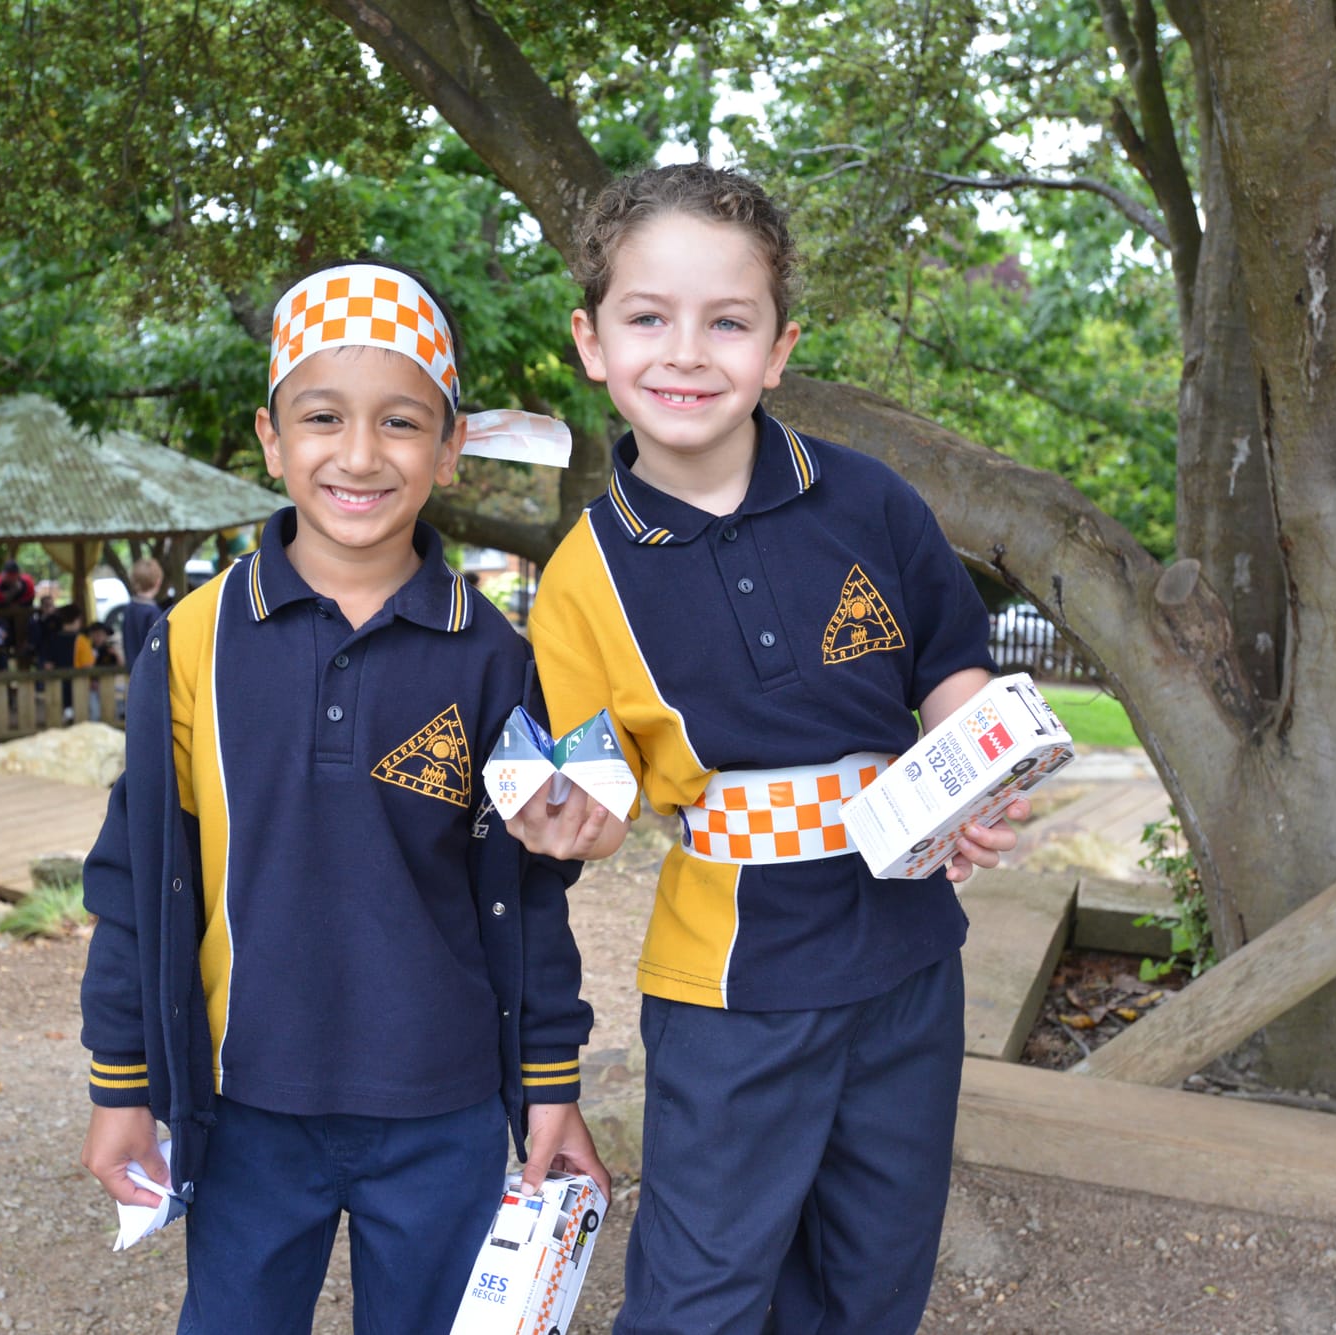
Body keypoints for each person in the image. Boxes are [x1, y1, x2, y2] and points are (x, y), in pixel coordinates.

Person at [508, 163, 1028, 1335]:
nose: (686, 353)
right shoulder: (581, 579)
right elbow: (586, 791)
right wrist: (563, 823)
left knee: (872, 1276)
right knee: (705, 1288)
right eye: (648, 318)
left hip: (905, 956)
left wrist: (977, 763)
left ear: (777, 349)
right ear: (592, 342)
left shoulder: (871, 502)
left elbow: (947, 664)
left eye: (726, 322)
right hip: (731, 983)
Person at [78, 260, 605, 1334]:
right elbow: (136, 876)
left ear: (450, 446)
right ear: (271, 438)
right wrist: (120, 1085)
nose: (359, 455)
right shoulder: (191, 640)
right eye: (322, 417)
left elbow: (527, 891)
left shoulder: (494, 654)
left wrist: (548, 1082)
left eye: (401, 423)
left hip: (444, 1106)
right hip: (246, 1102)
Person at [120, 556, 162, 664]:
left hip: (133, 671)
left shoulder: (129, 609)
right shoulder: (153, 613)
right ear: (158, 582)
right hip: (149, 672)